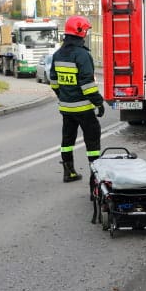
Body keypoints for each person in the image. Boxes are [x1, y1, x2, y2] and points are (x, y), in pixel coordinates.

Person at [49, 15, 105, 183]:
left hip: (66, 108)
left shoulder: (58, 54)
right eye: (86, 30)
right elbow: (87, 83)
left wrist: (63, 96)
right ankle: (95, 176)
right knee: (92, 138)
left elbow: (53, 81)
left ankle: (69, 172)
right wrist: (99, 102)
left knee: (67, 139)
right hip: (83, 108)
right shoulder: (82, 55)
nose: (87, 33)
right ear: (80, 31)